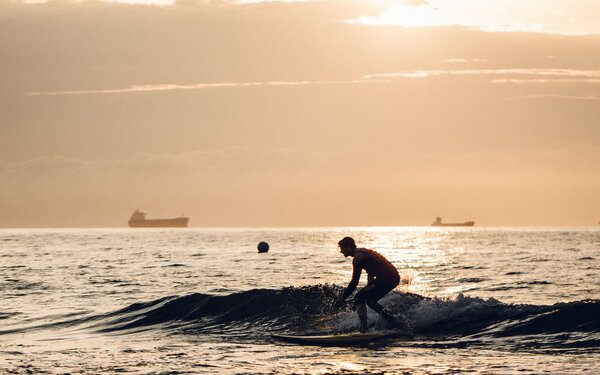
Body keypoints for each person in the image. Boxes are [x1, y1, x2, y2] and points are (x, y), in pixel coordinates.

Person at [335, 236, 405, 332]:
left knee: (362, 297)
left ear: (349, 247)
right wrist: (366, 291)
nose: (341, 251)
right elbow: (371, 272)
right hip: (391, 277)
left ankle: (364, 329)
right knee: (365, 298)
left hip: (388, 277)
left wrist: (343, 298)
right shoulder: (364, 252)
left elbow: (355, 281)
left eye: (342, 248)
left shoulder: (358, 257)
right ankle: (392, 320)